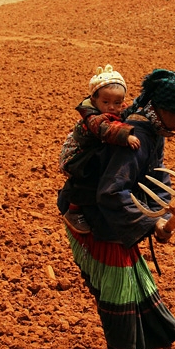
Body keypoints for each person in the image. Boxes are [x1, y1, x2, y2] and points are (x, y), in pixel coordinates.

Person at [57, 68, 175, 349]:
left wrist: (164, 217)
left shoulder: (156, 131)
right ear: (166, 109)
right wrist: (151, 225)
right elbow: (112, 192)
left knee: (138, 284)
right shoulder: (137, 134)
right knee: (120, 290)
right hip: (98, 221)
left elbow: (156, 178)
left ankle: (163, 343)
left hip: (112, 221)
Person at [60, 64, 141, 235]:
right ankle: (73, 210)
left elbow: (127, 111)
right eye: (106, 102)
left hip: (93, 152)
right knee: (86, 179)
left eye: (117, 102)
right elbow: (104, 129)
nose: (112, 107)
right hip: (77, 156)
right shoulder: (93, 117)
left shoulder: (115, 108)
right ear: (94, 99)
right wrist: (126, 136)